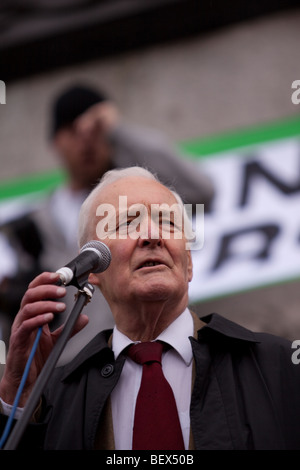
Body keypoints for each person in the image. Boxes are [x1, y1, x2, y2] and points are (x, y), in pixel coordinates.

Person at [0, 166, 299, 450]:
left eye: (167, 222)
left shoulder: (280, 368)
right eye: (126, 224)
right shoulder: (56, 399)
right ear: (91, 267)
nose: (152, 236)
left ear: (189, 263)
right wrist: (20, 397)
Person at [0, 83, 214, 360]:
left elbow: (201, 192)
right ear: (55, 141)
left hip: (152, 357)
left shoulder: (140, 199)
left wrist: (118, 129)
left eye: (96, 130)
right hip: (69, 381)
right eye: (73, 131)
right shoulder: (29, 229)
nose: (86, 140)